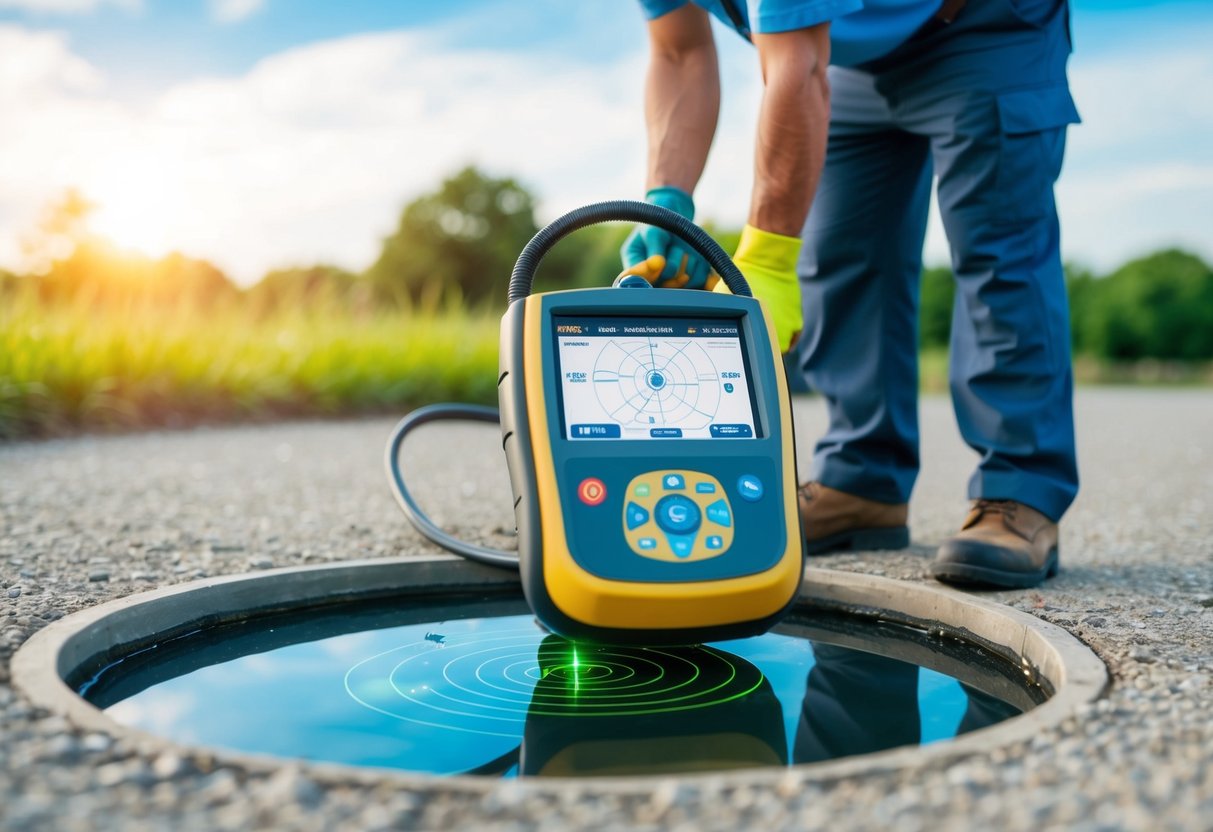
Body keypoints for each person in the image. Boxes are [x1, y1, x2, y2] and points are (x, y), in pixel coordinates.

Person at [622, 0, 1080, 589]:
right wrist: (667, 196)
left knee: (999, 255)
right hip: (851, 49)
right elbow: (679, 49)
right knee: (841, 254)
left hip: (983, 26)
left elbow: (798, 65)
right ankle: (863, 480)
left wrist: (766, 257)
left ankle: (1022, 491)